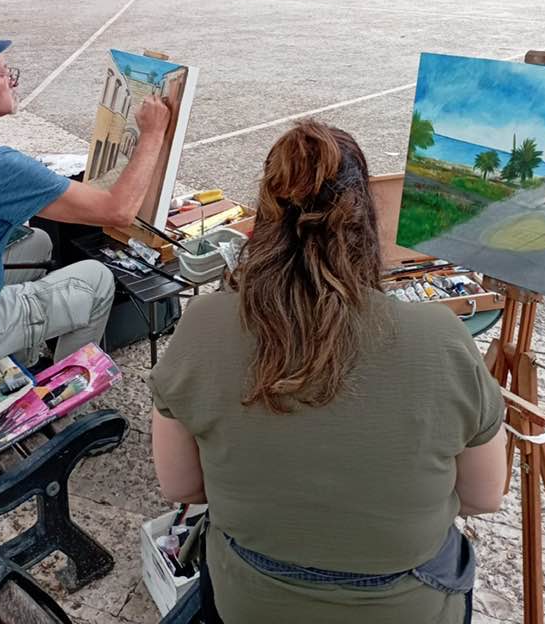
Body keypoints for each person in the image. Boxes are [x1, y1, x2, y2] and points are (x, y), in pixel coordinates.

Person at [151, 121, 506, 624]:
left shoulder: (203, 325)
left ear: (264, 219)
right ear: (366, 219)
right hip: (406, 607)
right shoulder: (440, 338)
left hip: (252, 601)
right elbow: (484, 496)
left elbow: (182, 487)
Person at [0, 18, 171, 386]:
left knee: (39, 241)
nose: (13, 81)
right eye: (5, 74)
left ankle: (24, 346)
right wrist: (152, 134)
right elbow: (117, 210)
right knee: (98, 279)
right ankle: (63, 393)